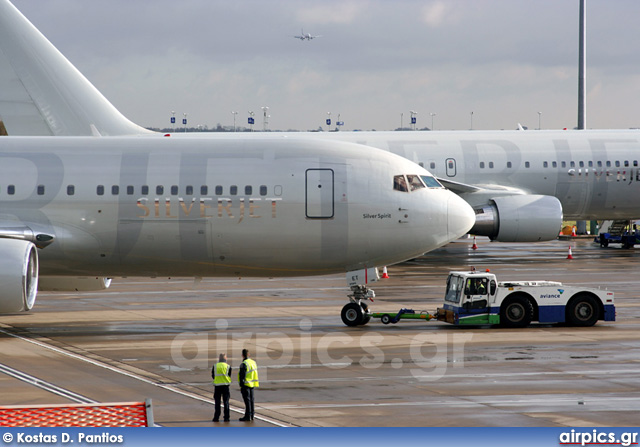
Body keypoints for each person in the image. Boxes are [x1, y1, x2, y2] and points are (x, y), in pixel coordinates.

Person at [238, 348, 259, 421]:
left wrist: (241, 386)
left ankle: (248, 416)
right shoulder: (253, 362)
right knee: (252, 400)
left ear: (242, 355)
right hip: (252, 384)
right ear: (248, 354)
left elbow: (242, 376)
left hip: (246, 385)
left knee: (247, 401)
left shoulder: (244, 364)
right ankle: (252, 415)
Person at [211, 353, 232, 422]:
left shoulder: (215, 366)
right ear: (225, 358)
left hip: (217, 386)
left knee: (217, 402)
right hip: (225, 386)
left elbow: (213, 375)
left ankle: (216, 417)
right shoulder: (228, 366)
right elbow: (229, 375)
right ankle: (226, 417)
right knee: (226, 402)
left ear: (219, 359)